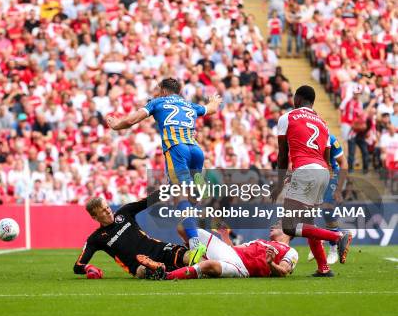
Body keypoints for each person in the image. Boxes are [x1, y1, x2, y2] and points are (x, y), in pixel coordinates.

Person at [106, 78, 222, 255]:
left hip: (177, 149)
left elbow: (132, 120)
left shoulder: (157, 102)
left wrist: (116, 125)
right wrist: (214, 100)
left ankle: (195, 243)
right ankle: (199, 206)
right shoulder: (188, 105)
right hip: (196, 150)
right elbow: (211, 109)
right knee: (191, 199)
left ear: (163, 90)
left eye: (157, 88)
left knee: (179, 196)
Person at [275, 85, 352, 277]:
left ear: (298, 99)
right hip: (323, 173)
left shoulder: (288, 117)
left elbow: (283, 154)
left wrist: (280, 181)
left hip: (305, 170)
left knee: (289, 226)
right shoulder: (323, 123)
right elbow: (326, 159)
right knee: (308, 223)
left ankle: (338, 236)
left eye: (294, 98)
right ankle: (323, 268)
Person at [73, 197, 198, 279]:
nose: (108, 211)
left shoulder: (124, 212)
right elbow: (78, 265)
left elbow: (147, 201)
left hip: (158, 249)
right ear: (95, 217)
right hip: (137, 264)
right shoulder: (96, 238)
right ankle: (161, 270)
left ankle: (169, 270)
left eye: (108, 207)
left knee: (191, 257)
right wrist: (88, 268)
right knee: (142, 271)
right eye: (103, 211)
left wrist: (167, 190)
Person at [140, 225, 299, 279]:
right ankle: (197, 259)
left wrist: (270, 263)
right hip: (231, 253)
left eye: (278, 224)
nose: (273, 226)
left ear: (288, 232)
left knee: (209, 265)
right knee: (184, 227)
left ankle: (166, 275)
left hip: (243, 268)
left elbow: (283, 272)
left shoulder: (291, 251)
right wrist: (225, 236)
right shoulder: (260, 241)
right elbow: (232, 249)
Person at [308, 134, 348, 265]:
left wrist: (339, 189)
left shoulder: (330, 139)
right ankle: (318, 242)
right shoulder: (305, 138)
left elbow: (344, 163)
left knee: (327, 210)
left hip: (332, 176)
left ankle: (333, 248)